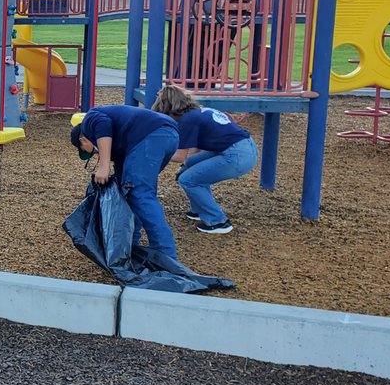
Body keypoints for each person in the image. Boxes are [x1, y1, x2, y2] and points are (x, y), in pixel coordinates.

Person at [70, 104, 180, 259]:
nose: (95, 152)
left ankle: (166, 256)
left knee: (141, 195)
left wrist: (104, 165)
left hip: (150, 136)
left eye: (89, 150)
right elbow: (123, 179)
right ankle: (130, 245)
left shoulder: (90, 119)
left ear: (83, 140)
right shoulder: (120, 146)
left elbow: (103, 124)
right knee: (132, 193)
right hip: (169, 135)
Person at [151, 85, 259, 235]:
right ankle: (199, 209)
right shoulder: (198, 113)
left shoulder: (187, 120)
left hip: (237, 155)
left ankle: (218, 221)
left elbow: (180, 156)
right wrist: (187, 166)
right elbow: (192, 154)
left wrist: (154, 152)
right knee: (188, 169)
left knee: (188, 180)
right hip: (244, 147)